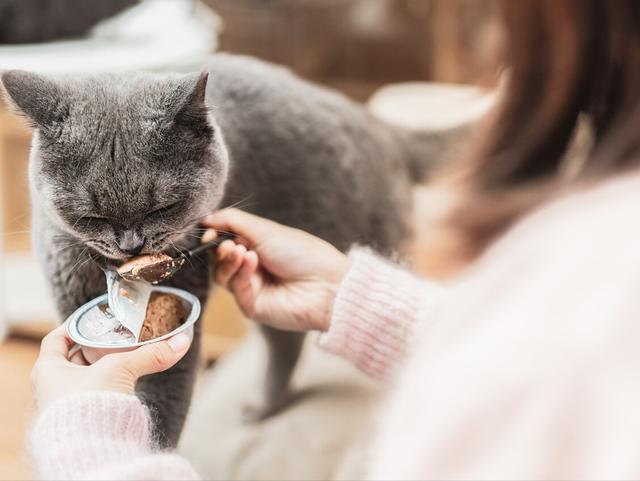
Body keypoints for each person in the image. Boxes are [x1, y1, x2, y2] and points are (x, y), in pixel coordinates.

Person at [29, 0, 640, 479]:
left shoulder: (595, 288)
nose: (133, 242)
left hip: (317, 146)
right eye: (93, 218)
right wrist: (354, 298)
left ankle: (281, 376)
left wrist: (88, 441)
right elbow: (519, 362)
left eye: (159, 212)